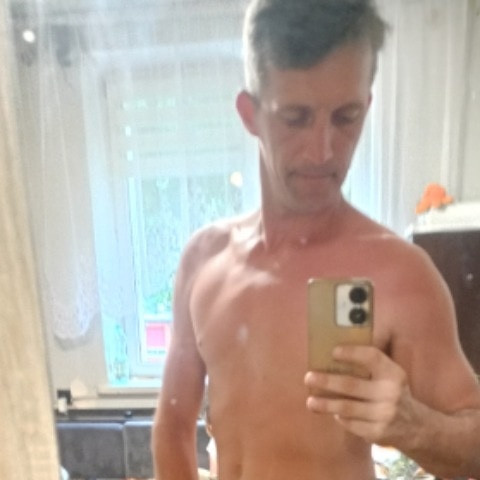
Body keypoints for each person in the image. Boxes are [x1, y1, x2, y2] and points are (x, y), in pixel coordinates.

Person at [151, 0, 480, 479]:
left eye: (346, 117)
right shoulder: (204, 261)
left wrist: (414, 426)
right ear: (250, 114)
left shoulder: (401, 274)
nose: (323, 150)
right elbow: (173, 426)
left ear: (367, 106)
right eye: (296, 117)